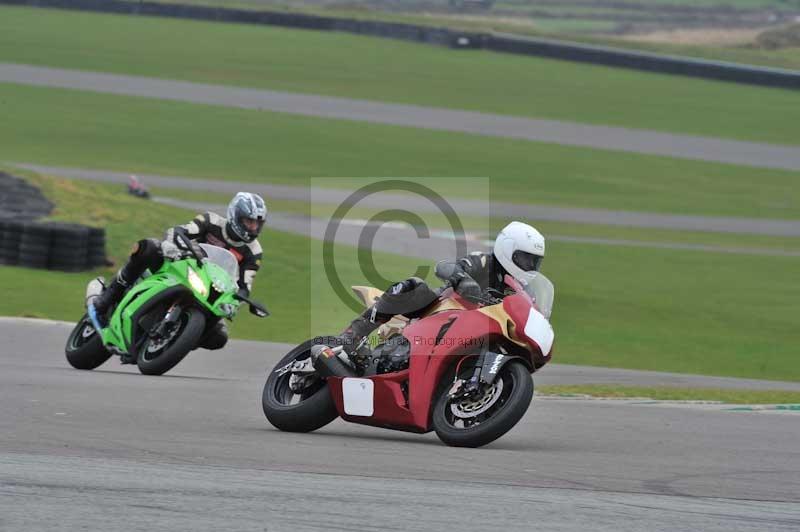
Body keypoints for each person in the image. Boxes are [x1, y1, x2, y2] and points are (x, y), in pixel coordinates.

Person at [326, 221, 546, 360]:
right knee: (413, 286)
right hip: (441, 310)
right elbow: (445, 266)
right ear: (507, 250)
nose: (529, 266)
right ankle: (352, 336)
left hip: (478, 332)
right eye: (525, 258)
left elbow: (528, 312)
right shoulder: (485, 262)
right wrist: (463, 280)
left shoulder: (522, 290)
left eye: (534, 262)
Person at [88, 192, 267, 351]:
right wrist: (174, 244)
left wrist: (236, 302)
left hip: (210, 289)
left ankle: (176, 339)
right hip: (180, 265)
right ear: (235, 215)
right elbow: (180, 231)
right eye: (249, 221)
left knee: (219, 337)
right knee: (148, 247)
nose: (252, 228)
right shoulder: (211, 221)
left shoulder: (254, 251)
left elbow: (245, 285)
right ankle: (109, 296)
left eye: (257, 224)